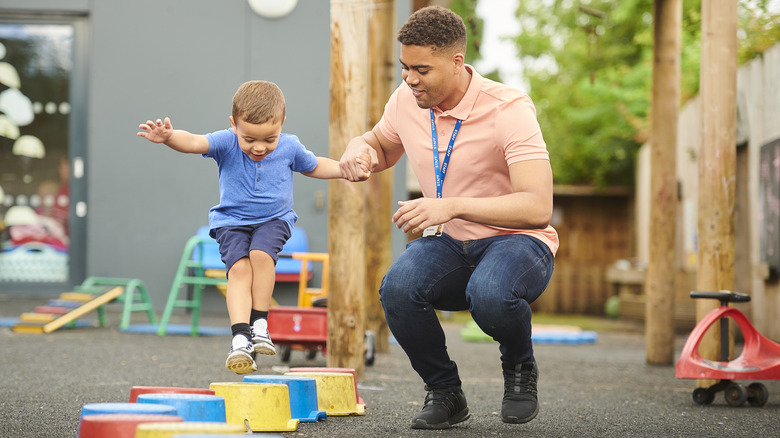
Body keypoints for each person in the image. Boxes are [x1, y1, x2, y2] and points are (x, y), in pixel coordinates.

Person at [339, 6, 558, 430]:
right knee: (398, 289)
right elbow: (382, 146)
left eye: (421, 69)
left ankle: (519, 367)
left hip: (518, 240)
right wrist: (359, 147)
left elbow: (537, 207)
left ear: (457, 62)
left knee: (491, 292)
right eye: (405, 67)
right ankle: (444, 392)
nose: (409, 78)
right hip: (452, 243)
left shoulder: (508, 109)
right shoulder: (406, 100)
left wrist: (451, 204)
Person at [138, 80, 369, 375]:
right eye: (250, 139)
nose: (259, 147)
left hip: (274, 219)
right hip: (231, 221)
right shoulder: (225, 142)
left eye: (269, 139)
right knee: (239, 271)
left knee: (261, 255)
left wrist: (345, 171)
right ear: (234, 125)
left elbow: (314, 166)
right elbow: (194, 142)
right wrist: (169, 137)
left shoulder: (289, 146)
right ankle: (239, 337)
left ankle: (260, 323)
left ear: (282, 124)